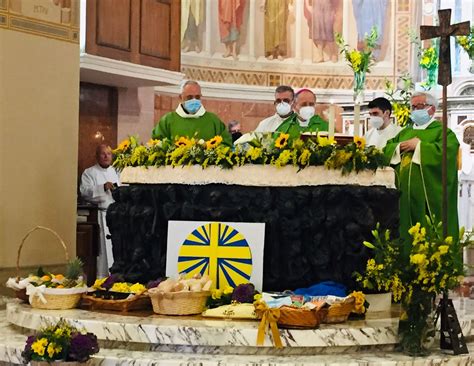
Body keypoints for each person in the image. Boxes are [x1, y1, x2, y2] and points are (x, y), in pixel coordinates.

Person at [384, 92, 460, 243]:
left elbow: (448, 153)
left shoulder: (443, 132)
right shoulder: (405, 132)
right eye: (412, 107)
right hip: (403, 194)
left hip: (428, 197)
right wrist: (398, 147)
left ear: (431, 109)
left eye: (419, 106)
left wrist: (420, 147)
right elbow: (387, 149)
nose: (414, 110)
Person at [80, 144, 120, 278]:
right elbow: (85, 192)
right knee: (103, 250)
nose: (106, 156)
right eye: (103, 154)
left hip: (117, 215)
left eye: (109, 154)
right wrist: (103, 187)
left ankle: (117, 277)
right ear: (97, 156)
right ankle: (102, 278)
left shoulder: (117, 171)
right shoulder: (89, 173)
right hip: (101, 215)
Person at [151, 80, 232, 146]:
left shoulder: (213, 120)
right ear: (180, 98)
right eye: (189, 97)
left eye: (197, 97)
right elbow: (157, 143)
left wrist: (208, 147)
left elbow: (226, 143)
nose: (194, 100)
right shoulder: (168, 120)